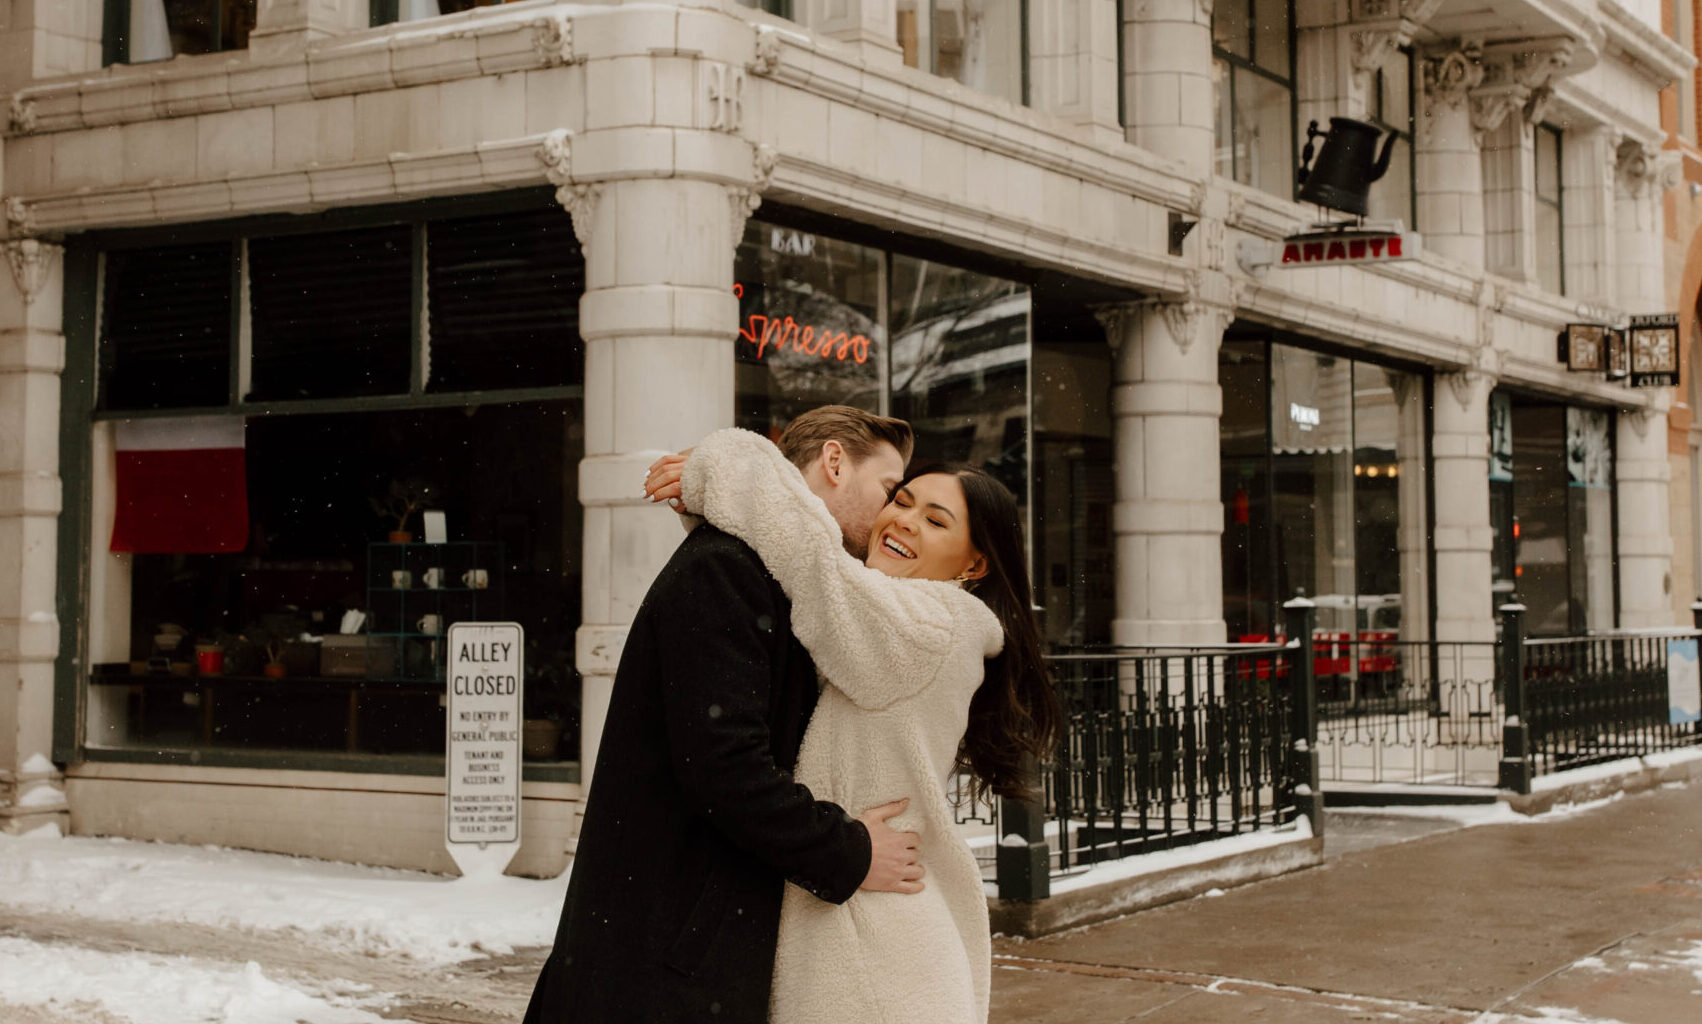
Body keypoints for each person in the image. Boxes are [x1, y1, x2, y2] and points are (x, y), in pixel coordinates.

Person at [523, 407, 926, 1024]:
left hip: (681, 950)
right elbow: (725, 769)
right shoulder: (727, 570)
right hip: (663, 966)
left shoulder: (778, 578)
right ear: (836, 462)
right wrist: (850, 851)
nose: (892, 513)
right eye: (889, 489)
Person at [650, 427, 1059, 1024]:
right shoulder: (885, 613)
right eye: (901, 500)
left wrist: (727, 462)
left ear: (974, 563)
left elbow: (811, 565)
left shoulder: (928, 624)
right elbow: (796, 587)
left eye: (937, 521)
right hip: (865, 914)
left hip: (873, 945)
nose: (905, 521)